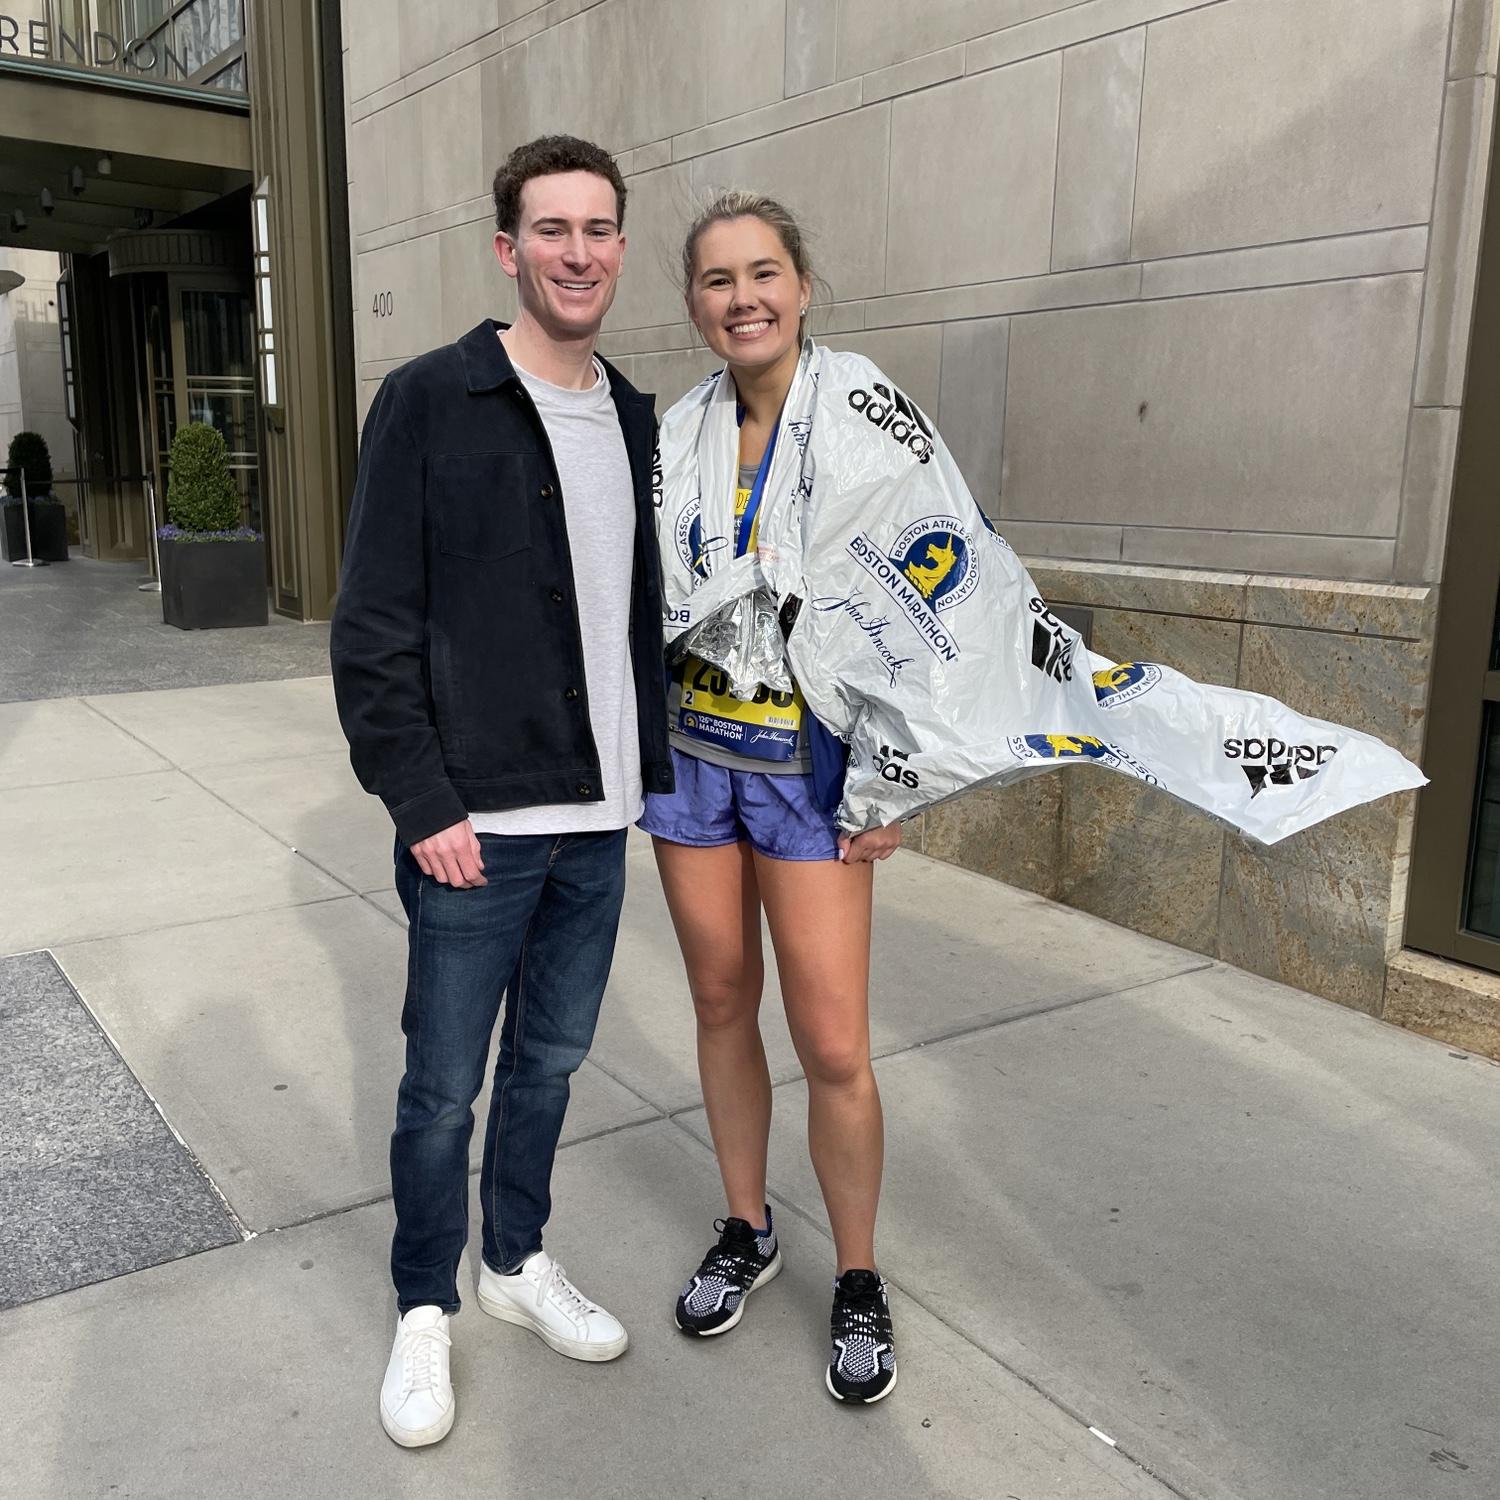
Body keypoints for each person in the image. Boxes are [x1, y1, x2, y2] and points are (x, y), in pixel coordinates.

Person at [330, 134, 672, 1448]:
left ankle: (515, 1261)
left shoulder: (635, 415)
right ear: (508, 249)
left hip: (601, 818)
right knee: (442, 1088)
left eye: (599, 229)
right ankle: (426, 1302)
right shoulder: (431, 399)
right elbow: (371, 625)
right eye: (552, 230)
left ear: (620, 246)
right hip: (476, 826)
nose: (578, 253)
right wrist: (422, 801)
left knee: (550, 1065)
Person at [639, 193, 904, 1404]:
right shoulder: (673, 434)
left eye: (762, 273)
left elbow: (918, 604)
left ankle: (857, 1275)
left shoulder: (865, 420)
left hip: (813, 771)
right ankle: (747, 1227)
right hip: (694, 761)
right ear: (694, 303)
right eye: (716, 279)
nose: (741, 298)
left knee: (835, 1042)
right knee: (718, 999)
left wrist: (890, 776)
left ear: (802, 285)